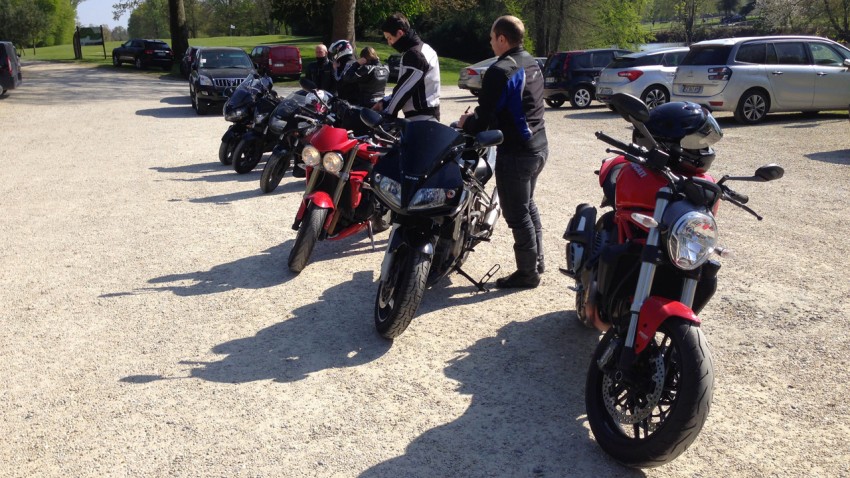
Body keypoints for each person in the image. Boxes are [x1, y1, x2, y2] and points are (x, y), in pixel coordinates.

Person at [458, 15, 548, 289]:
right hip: (540, 146)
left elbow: (484, 117)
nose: (490, 42)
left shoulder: (501, 70)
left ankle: (527, 274)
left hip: (517, 152)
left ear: (502, 39)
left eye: (491, 37)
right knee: (527, 204)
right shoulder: (531, 62)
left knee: (517, 213)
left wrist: (467, 123)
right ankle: (536, 261)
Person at [373, 12, 440, 121]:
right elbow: (404, 87)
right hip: (426, 117)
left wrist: (388, 113)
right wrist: (384, 102)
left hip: (421, 119)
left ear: (399, 33)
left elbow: (404, 91)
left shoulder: (415, 54)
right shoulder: (424, 48)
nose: (389, 43)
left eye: (389, 38)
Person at [328, 39, 359, 104]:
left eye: (337, 50)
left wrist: (335, 69)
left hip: (349, 98)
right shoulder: (348, 60)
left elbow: (340, 79)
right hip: (347, 95)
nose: (336, 53)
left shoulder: (348, 63)